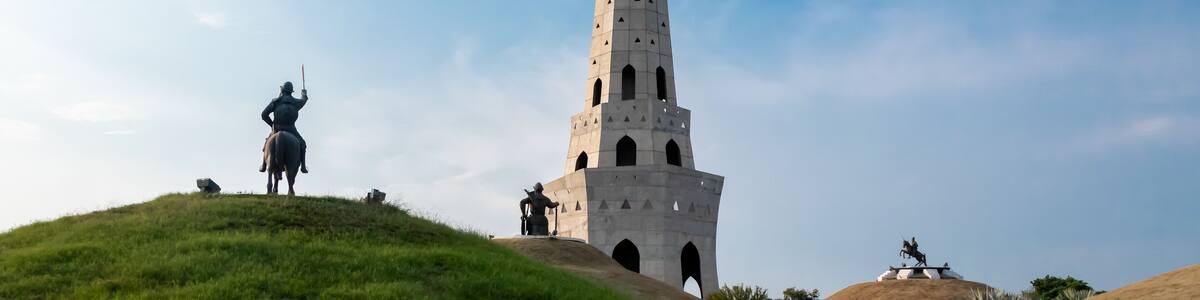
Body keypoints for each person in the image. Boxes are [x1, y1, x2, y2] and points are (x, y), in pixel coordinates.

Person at [260, 81, 309, 173]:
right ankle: (303, 166)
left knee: (267, 143)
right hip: (291, 129)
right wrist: (304, 93)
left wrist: (272, 125)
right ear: (291, 91)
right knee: (302, 144)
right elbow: (303, 100)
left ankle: (263, 165)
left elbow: (264, 115)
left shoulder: (275, 101)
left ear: (282, 90)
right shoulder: (296, 103)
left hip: (277, 128)